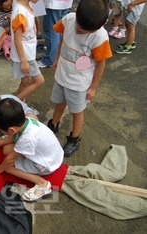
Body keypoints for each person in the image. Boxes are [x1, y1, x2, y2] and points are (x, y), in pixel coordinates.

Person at [47, 0, 112, 157]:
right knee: (59, 104)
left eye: (84, 31)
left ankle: (74, 139)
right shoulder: (69, 19)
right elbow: (62, 38)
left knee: (77, 112)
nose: (80, 32)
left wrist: (93, 87)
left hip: (79, 83)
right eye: (79, 28)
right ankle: (53, 126)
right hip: (62, 74)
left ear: (104, 23)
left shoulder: (100, 37)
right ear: (76, 11)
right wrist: (56, 59)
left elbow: (100, 64)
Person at [0, 98, 63, 202]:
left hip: (46, 164)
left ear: (11, 129)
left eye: (1, 130)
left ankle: (42, 183)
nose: (0, 132)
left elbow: (10, 159)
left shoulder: (28, 138)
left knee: (7, 167)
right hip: (53, 154)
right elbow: (14, 136)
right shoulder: (28, 120)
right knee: (6, 149)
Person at [10, 0, 45, 102]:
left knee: (26, 80)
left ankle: (21, 105)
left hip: (28, 51)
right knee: (39, 80)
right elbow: (17, 39)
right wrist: (24, 60)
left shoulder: (28, 5)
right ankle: (15, 102)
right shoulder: (20, 12)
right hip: (25, 55)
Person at [36, 0, 73, 68]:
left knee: (52, 31)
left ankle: (50, 59)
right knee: (60, 29)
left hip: (54, 4)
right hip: (66, 3)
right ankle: (56, 55)